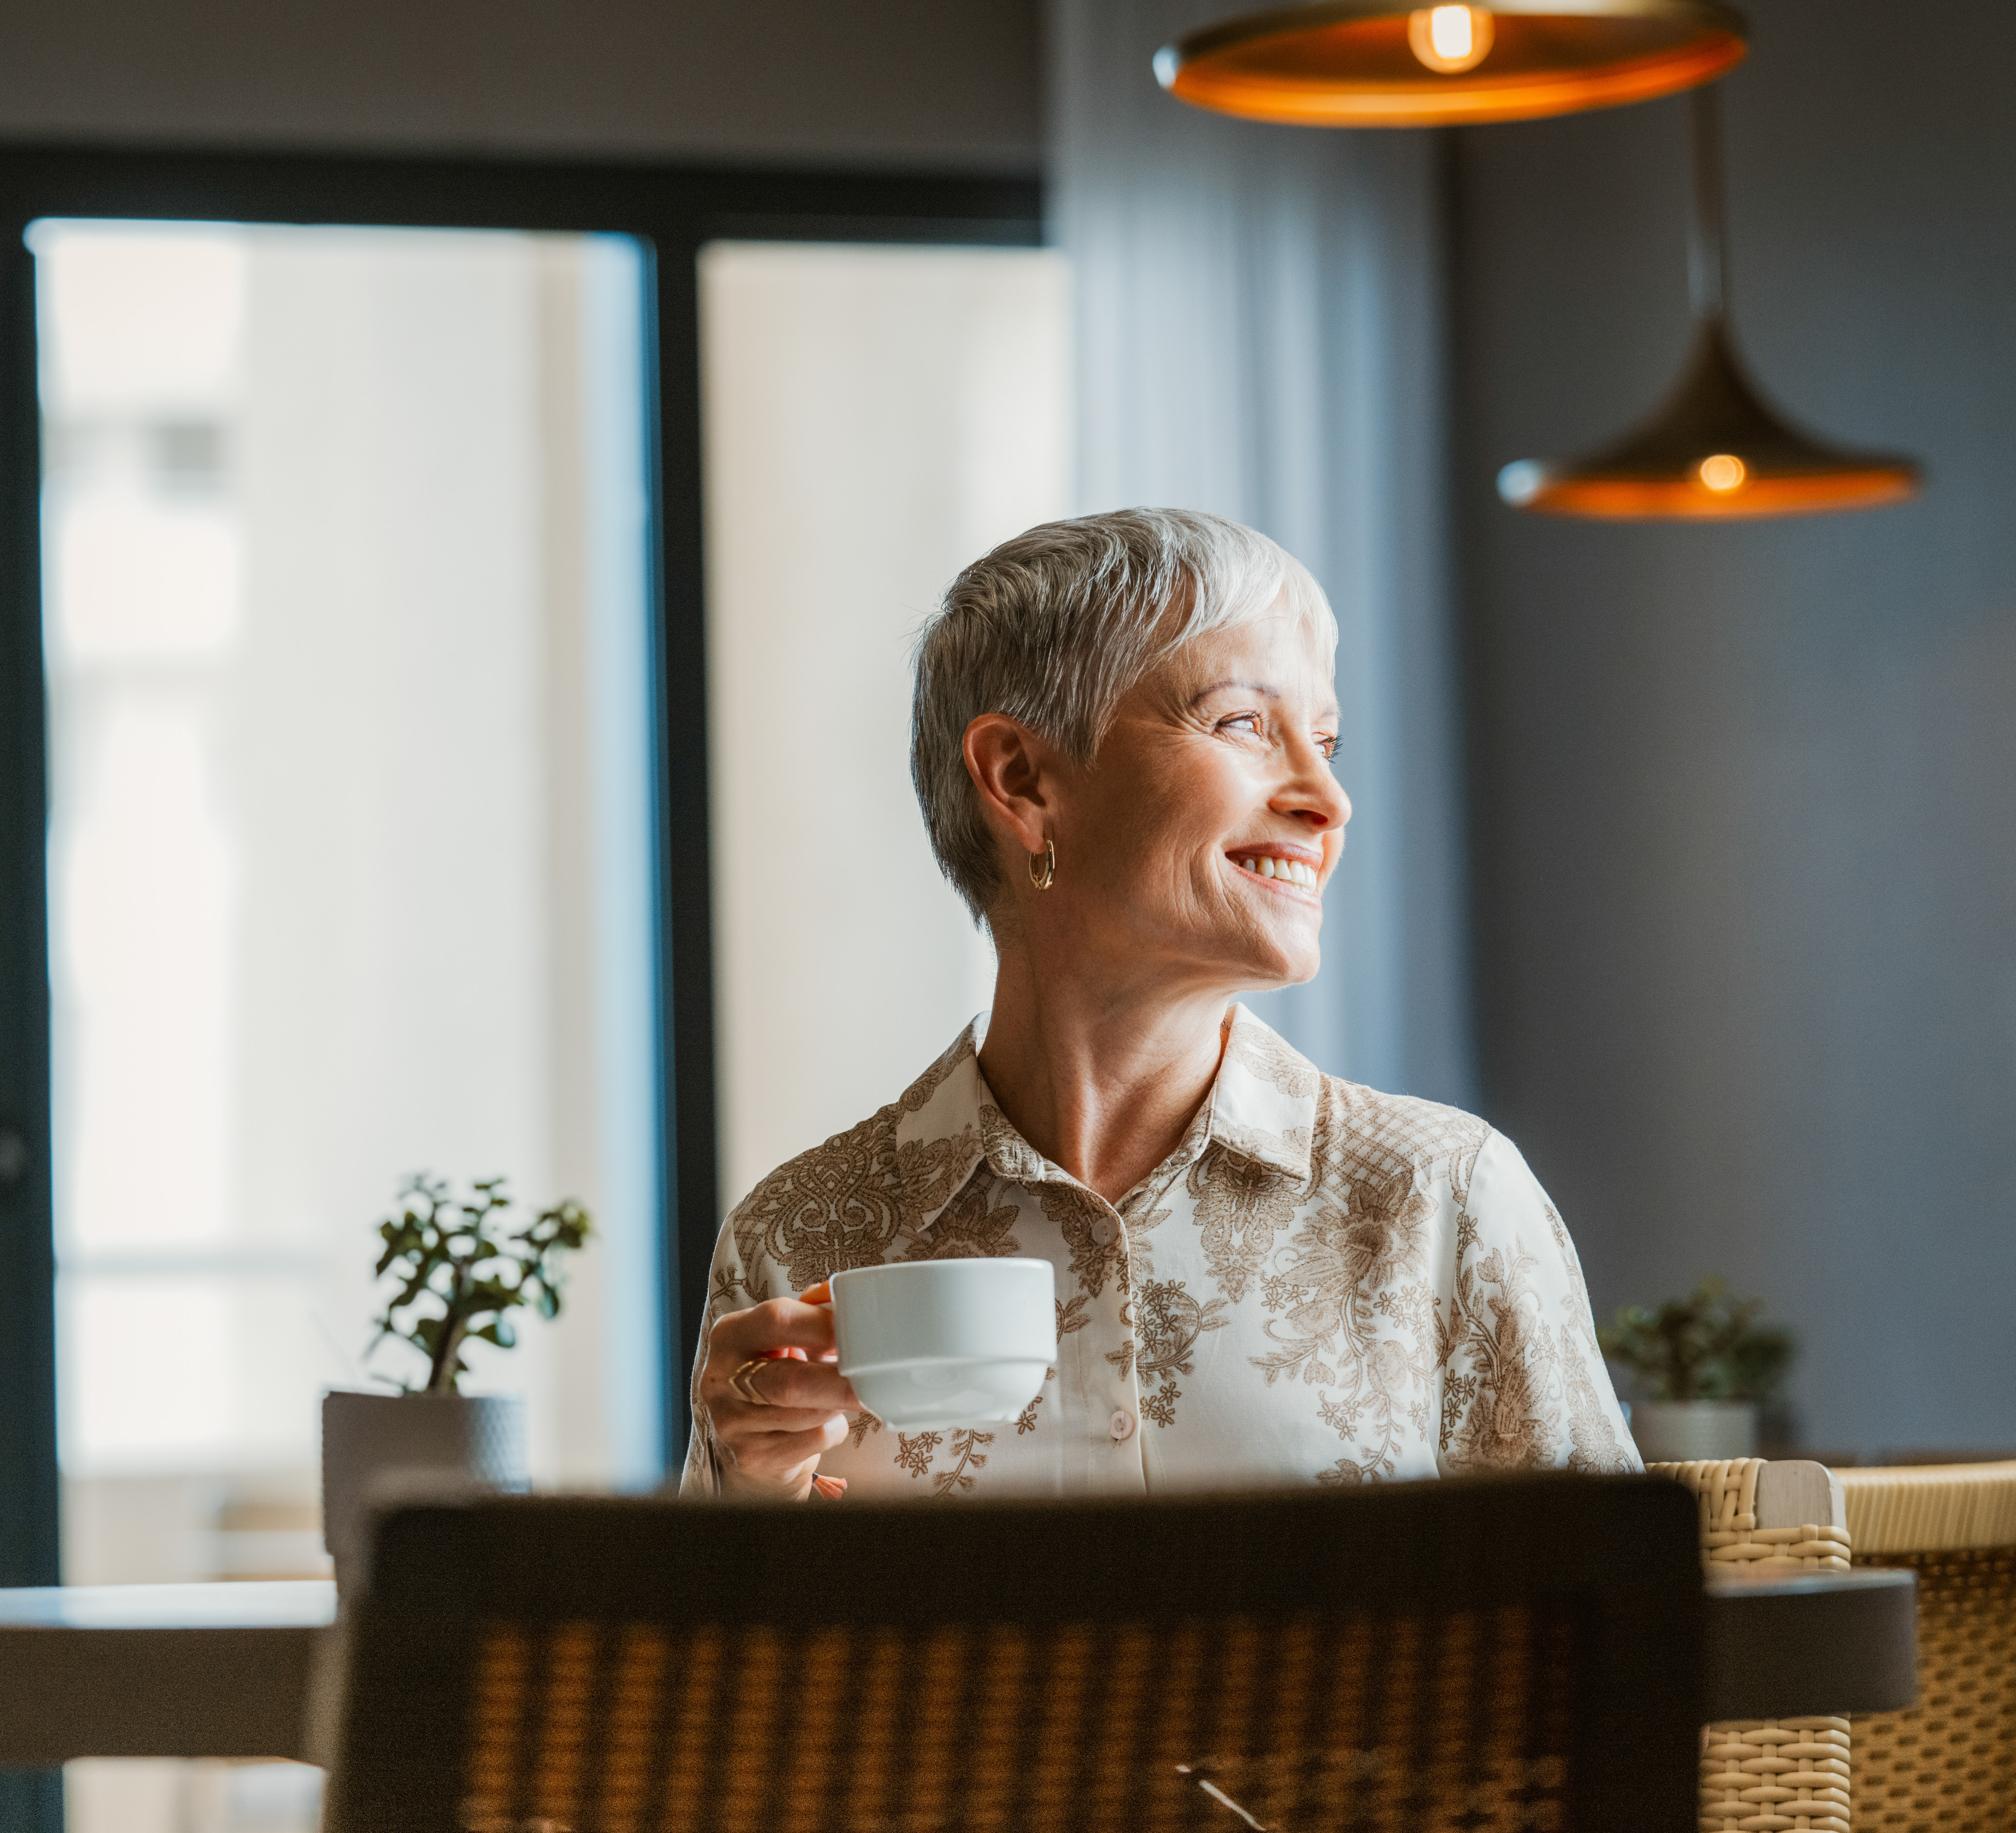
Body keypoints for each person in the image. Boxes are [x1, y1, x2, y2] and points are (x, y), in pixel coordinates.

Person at [685, 509, 1637, 1498]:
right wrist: (753, 1496)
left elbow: (1613, 1634)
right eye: (1243, 725)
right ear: (1021, 779)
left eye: (1326, 742)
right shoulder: (799, 1236)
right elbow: (712, 1654)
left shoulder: (1442, 1198)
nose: (1327, 799)